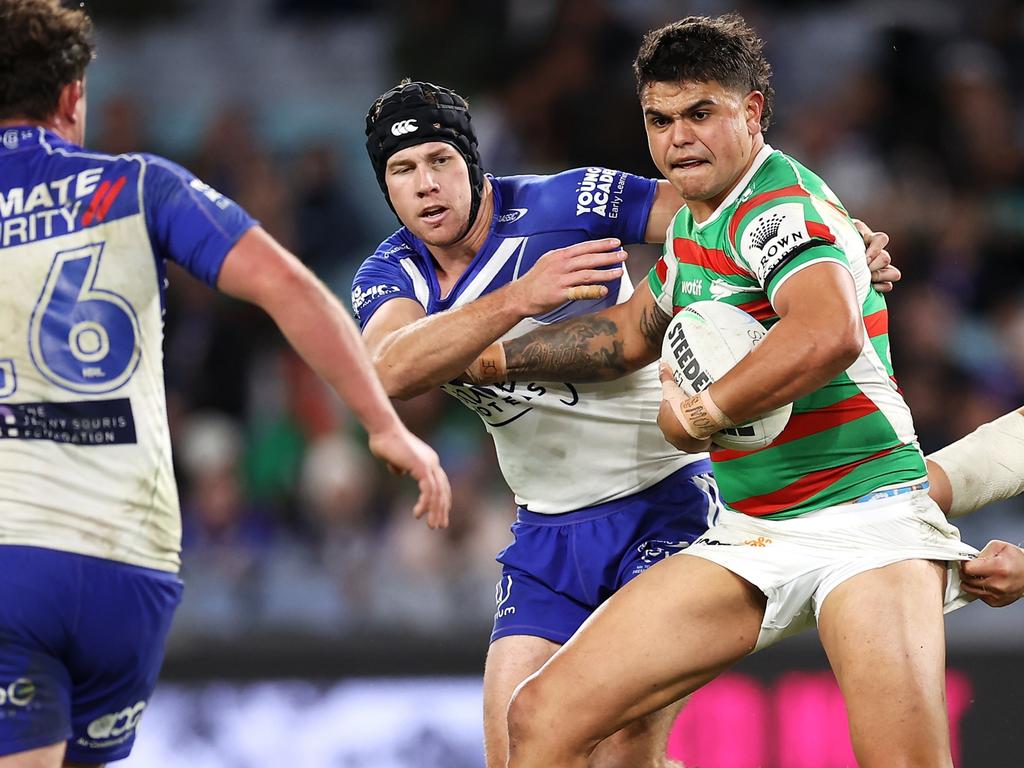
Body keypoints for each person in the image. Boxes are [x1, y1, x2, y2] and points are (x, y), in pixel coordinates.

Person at [461, 15, 1007, 767]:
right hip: (753, 532)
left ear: (751, 112)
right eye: (659, 119)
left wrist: (702, 413)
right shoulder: (694, 225)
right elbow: (626, 336)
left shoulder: (774, 209)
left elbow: (827, 332)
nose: (677, 137)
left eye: (700, 113)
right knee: (544, 717)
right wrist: (486, 359)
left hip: (867, 525)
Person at [355, 79, 898, 767]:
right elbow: (391, 370)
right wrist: (521, 298)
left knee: (622, 749)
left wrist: (828, 245)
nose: (426, 185)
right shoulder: (390, 272)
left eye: (440, 161)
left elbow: (717, 212)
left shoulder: (564, 200)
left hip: (665, 501)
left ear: (472, 161)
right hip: (547, 534)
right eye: (402, 171)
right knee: (520, 750)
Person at [0, 2, 451, 766]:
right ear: (76, 95)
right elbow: (291, 287)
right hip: (128, 566)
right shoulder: (139, 185)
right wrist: (383, 423)